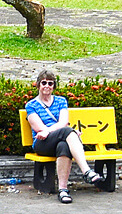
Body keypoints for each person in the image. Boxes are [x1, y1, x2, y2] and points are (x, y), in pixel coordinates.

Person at [26, 69, 105, 204]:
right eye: (44, 83)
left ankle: (63, 190)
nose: (47, 86)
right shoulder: (31, 105)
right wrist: (66, 131)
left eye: (50, 83)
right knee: (67, 131)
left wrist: (63, 131)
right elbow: (40, 128)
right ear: (38, 85)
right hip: (42, 143)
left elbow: (63, 122)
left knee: (64, 146)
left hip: (58, 139)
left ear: (54, 86)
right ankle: (86, 171)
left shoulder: (61, 101)